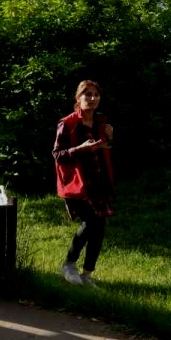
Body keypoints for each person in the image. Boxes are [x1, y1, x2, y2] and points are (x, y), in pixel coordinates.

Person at [53, 79, 115, 288]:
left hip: (99, 182)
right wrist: (79, 149)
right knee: (90, 223)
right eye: (87, 94)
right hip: (78, 184)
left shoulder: (101, 123)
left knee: (100, 227)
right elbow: (58, 155)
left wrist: (108, 139)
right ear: (78, 98)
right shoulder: (68, 123)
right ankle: (69, 264)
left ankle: (87, 274)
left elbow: (104, 150)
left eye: (96, 94)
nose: (92, 98)